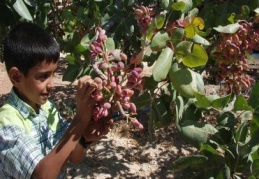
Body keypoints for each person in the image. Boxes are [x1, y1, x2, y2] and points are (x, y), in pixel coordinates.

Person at [0, 22, 113, 179]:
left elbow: (73, 157)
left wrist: (84, 137)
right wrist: (79, 121)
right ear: (16, 77)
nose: (52, 84)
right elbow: (41, 176)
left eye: (53, 74)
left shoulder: (47, 108)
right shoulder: (6, 125)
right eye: (43, 76)